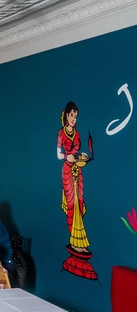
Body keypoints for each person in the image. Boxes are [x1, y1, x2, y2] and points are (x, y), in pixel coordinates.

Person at [57, 101, 91, 254]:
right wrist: (67, 157)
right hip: (67, 171)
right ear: (66, 116)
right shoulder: (61, 133)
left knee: (79, 204)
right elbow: (59, 155)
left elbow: (76, 152)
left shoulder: (76, 133)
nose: (73, 119)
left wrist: (80, 155)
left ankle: (80, 242)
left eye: (75, 116)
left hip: (77, 169)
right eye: (71, 115)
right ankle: (74, 241)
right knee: (72, 205)